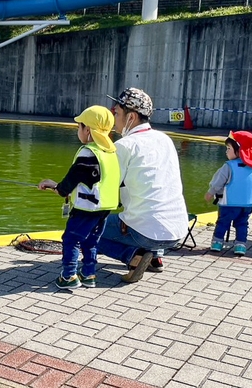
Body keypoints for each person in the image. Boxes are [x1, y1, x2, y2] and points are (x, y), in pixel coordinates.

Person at [95, 88, 189, 283]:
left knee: (86, 228)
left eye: (117, 113)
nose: (114, 118)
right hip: (178, 230)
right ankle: (155, 258)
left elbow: (105, 186)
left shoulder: (125, 145)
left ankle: (134, 257)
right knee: (147, 211)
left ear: (131, 117)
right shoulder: (165, 139)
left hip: (145, 231)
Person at [38, 105, 120, 289]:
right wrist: (59, 187)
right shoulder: (110, 153)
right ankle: (89, 274)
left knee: (71, 240)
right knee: (91, 241)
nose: (78, 130)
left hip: (86, 209)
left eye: (79, 127)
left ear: (88, 130)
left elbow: (69, 184)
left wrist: (55, 187)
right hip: (104, 208)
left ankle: (68, 276)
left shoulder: (88, 153)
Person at [205, 131, 252, 256]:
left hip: (229, 203)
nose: (226, 151)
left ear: (240, 150)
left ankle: (217, 243)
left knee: (223, 222)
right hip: (247, 204)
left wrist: (210, 192)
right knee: (242, 223)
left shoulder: (228, 166)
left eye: (229, 148)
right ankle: (240, 245)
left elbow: (218, 182)